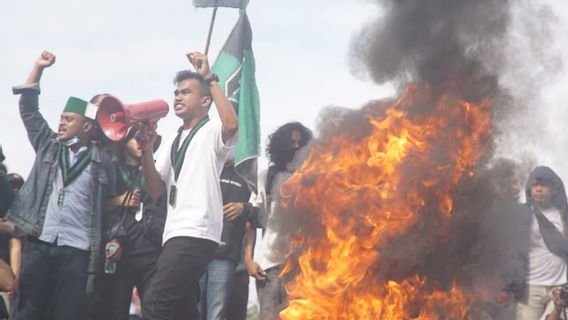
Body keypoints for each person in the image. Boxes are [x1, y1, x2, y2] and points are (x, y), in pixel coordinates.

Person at [6, 50, 116, 320]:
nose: (61, 122)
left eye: (69, 119)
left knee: (68, 314)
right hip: (40, 243)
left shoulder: (103, 161)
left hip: (77, 251)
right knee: (30, 311)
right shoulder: (48, 145)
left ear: (87, 126)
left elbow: (107, 207)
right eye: (62, 117)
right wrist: (38, 68)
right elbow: (28, 109)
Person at [140, 51, 238, 320]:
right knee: (182, 309)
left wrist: (209, 77)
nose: (178, 97)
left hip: (196, 230)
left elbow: (231, 124)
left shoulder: (210, 131)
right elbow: (156, 189)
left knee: (155, 301)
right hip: (175, 231)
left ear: (205, 100)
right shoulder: (174, 139)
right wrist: (146, 151)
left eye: (186, 92)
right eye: (176, 92)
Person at [87, 125, 166, 320]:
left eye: (145, 139)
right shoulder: (110, 168)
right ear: (123, 142)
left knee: (155, 310)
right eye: (135, 138)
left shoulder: (158, 172)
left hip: (152, 252)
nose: (140, 143)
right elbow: (93, 207)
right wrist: (119, 200)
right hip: (119, 252)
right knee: (114, 311)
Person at [244, 122, 312, 320]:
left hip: (302, 268)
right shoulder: (266, 177)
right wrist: (248, 259)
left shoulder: (313, 180)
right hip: (269, 267)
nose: (296, 147)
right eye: (291, 142)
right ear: (281, 145)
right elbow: (251, 220)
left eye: (301, 143)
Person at [198, 160, 253, 320]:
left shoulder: (246, 176)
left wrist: (243, 207)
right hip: (197, 249)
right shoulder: (204, 166)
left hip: (225, 255)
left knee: (217, 313)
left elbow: (257, 212)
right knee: (193, 309)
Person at [516, 166, 568, 320]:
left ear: (553, 188)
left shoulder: (564, 214)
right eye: (535, 185)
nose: (538, 189)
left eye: (543, 185)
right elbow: (510, 250)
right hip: (531, 288)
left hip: (560, 286)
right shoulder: (522, 215)